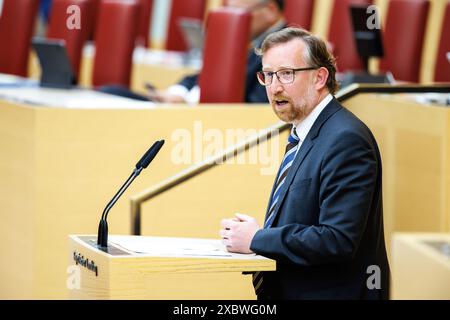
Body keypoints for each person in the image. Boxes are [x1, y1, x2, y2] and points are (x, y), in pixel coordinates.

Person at [219, 27, 390, 300]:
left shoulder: (346, 139)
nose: (274, 87)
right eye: (268, 75)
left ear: (319, 77)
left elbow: (337, 239)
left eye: (287, 74)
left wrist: (257, 239)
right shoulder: (304, 131)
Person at [100, 0, 286, 104]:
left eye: (237, 12)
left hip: (205, 122)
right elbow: (203, 76)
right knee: (110, 92)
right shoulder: (247, 41)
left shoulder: (284, 46)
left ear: (269, 10)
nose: (231, 19)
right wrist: (178, 92)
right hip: (183, 106)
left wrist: (188, 101)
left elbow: (258, 107)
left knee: (113, 95)